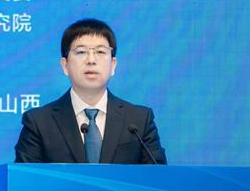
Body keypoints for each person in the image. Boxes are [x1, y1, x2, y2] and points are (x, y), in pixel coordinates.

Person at [14, 18, 167, 164]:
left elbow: (158, 177)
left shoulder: (138, 121)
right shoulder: (39, 122)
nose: (91, 60)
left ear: (113, 65)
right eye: (81, 52)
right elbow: (25, 179)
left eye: (100, 52)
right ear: (65, 65)